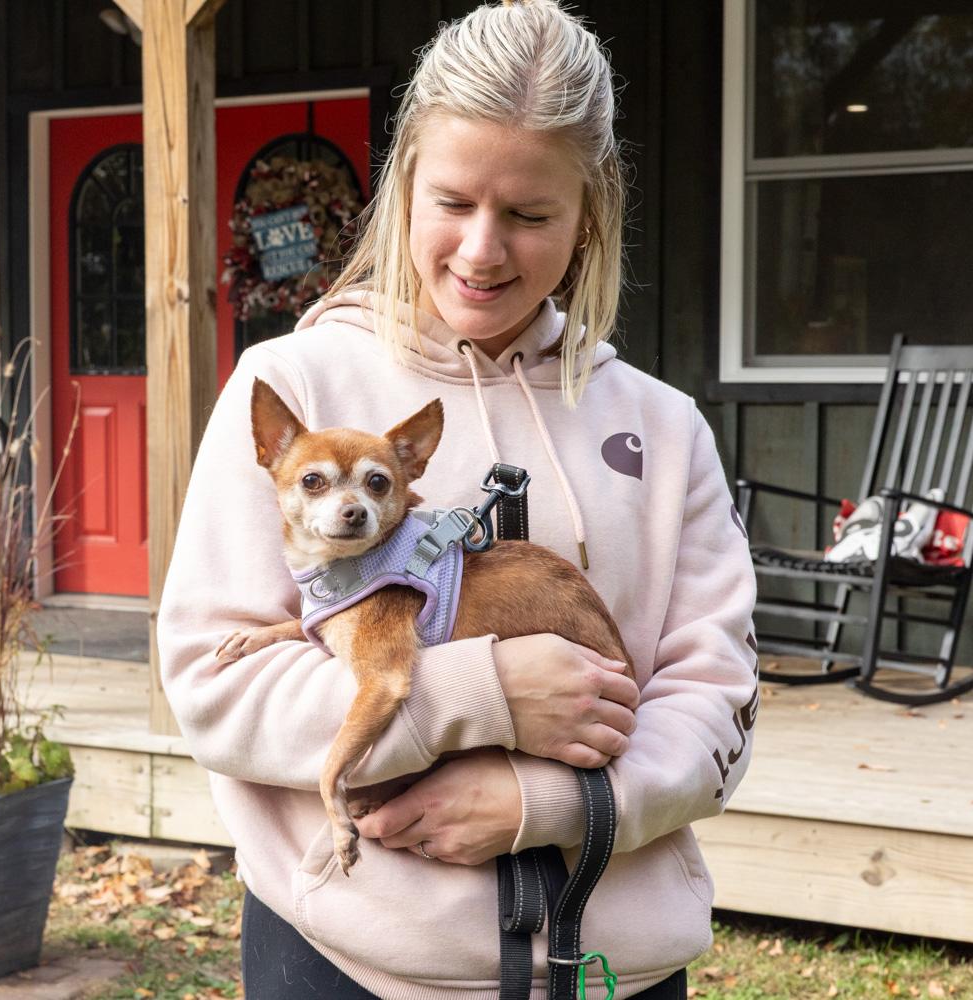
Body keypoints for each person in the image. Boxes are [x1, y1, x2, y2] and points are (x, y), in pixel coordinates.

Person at [157, 1, 759, 998]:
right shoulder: (295, 389)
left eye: (528, 215)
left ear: (589, 215)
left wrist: (551, 800)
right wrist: (473, 698)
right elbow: (215, 689)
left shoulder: (661, 427)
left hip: (614, 968)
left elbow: (716, 701)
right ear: (402, 188)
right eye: (453, 202)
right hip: (346, 959)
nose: (482, 251)